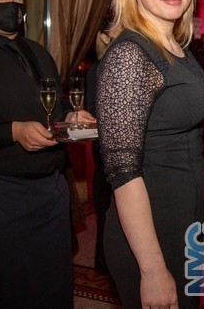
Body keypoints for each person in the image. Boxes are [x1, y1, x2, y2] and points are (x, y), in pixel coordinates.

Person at [0, 0, 94, 308]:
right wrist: (12, 131)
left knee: (53, 285)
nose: (11, 5)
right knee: (3, 290)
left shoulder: (37, 52)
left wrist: (72, 117)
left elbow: (55, 108)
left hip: (49, 189)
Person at [96, 0, 204, 309]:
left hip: (186, 223)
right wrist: (152, 269)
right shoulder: (130, 55)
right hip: (151, 236)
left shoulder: (176, 46)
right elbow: (123, 173)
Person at [85, 19, 115, 274]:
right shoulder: (98, 69)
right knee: (107, 208)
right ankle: (106, 263)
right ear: (104, 37)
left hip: (114, 149)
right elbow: (94, 112)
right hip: (106, 150)